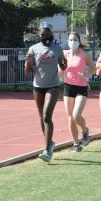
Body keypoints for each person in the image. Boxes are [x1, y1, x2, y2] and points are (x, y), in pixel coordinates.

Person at [25, 22, 67, 162]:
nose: (45, 37)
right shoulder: (33, 48)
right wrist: (27, 63)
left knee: (46, 115)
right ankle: (50, 143)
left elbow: (63, 65)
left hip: (53, 85)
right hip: (38, 86)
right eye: (42, 34)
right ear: (39, 35)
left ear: (51, 34)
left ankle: (47, 150)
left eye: (47, 34)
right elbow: (27, 71)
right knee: (41, 117)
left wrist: (63, 63)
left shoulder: (57, 48)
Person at [61, 32, 96, 152]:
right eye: (70, 40)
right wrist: (60, 69)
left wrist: (86, 75)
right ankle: (76, 144)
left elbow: (93, 69)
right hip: (68, 86)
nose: (73, 42)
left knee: (76, 115)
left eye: (75, 39)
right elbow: (60, 72)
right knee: (70, 118)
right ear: (67, 41)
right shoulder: (65, 54)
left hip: (82, 87)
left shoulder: (85, 55)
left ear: (79, 41)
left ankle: (85, 130)